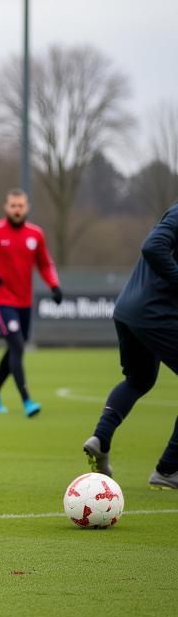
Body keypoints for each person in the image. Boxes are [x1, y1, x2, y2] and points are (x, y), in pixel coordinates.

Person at [83, 205, 178, 488]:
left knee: (139, 379)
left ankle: (101, 438)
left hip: (129, 310)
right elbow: (152, 246)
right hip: (155, 313)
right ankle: (169, 469)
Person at [0, 189, 63, 417]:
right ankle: (27, 401)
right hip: (1, 300)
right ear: (6, 207)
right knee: (18, 346)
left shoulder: (36, 234)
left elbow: (45, 264)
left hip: (24, 302)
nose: (17, 209)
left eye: (21, 205)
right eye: (13, 205)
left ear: (27, 207)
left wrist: (54, 285)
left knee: (14, 348)